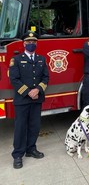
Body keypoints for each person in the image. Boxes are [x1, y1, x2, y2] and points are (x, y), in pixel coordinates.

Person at [9, 31, 49, 169]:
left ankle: (31, 149)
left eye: (34, 42)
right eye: (28, 42)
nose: (31, 44)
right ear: (24, 43)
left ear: (36, 43)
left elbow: (45, 78)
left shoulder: (41, 59)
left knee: (35, 126)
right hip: (22, 100)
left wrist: (38, 90)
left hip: (37, 99)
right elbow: (14, 79)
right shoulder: (17, 60)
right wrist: (28, 92)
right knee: (20, 128)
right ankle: (18, 155)